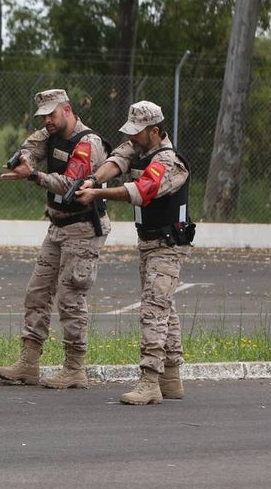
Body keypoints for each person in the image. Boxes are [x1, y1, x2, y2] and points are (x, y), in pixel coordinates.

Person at [74, 100, 193, 405]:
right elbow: (118, 161)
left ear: (155, 131)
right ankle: (170, 378)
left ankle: (150, 382)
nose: (132, 139)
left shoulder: (168, 162)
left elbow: (140, 192)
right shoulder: (141, 149)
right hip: (150, 244)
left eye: (137, 133)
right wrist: (94, 179)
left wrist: (98, 193)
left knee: (153, 311)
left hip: (167, 246)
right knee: (164, 308)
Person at [0, 88, 109, 389]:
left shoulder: (88, 143)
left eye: (51, 115)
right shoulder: (51, 132)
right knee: (37, 292)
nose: (47, 121)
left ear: (67, 109)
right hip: (58, 226)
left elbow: (70, 183)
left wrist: (33, 175)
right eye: (43, 116)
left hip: (83, 228)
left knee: (71, 297)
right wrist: (24, 160)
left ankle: (74, 367)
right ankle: (29, 363)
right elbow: (30, 148)